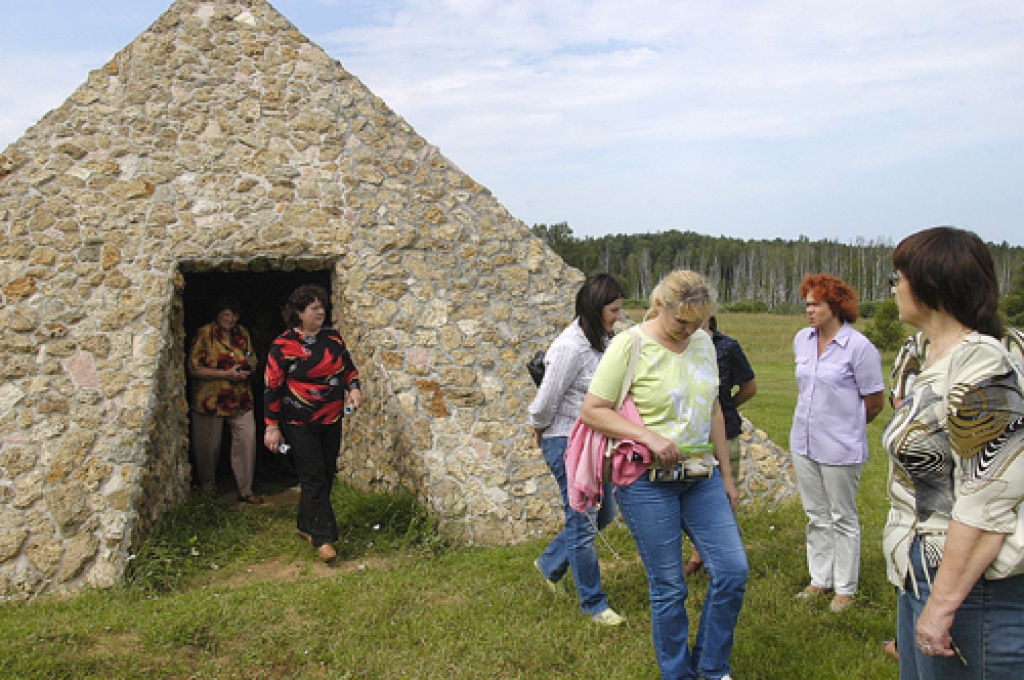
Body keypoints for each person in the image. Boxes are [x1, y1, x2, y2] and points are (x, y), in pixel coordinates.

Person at [581, 270, 748, 680]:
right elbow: (592, 410)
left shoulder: (703, 342)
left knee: (732, 571)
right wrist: (648, 437)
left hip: (701, 476)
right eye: (682, 321)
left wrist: (727, 476)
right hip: (646, 482)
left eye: (698, 322)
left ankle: (712, 667)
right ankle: (677, 673)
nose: (689, 330)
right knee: (670, 586)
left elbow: (713, 409)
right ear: (659, 305)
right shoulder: (630, 344)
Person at [882, 226, 1024, 679]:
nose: (893, 288)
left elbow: (990, 497)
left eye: (899, 277)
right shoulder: (933, 356)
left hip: (968, 585)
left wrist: (942, 605)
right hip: (922, 570)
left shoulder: (981, 362)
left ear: (931, 285)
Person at [528, 272, 627, 625]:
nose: (619, 316)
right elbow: (545, 401)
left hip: (593, 442)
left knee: (604, 514)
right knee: (583, 522)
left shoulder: (601, 340)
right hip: (565, 441)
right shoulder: (570, 348)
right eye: (614, 310)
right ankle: (594, 605)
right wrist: (539, 430)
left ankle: (549, 564)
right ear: (595, 308)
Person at [790, 273, 884, 613]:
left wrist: (848, 426)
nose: (809, 310)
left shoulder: (859, 348)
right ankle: (820, 579)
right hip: (803, 441)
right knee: (816, 515)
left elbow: (875, 402)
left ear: (836, 306)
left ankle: (845, 588)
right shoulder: (802, 340)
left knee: (842, 515)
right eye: (807, 304)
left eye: (816, 304)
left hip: (841, 447)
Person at [263, 284, 363, 563]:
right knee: (313, 476)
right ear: (299, 313)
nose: (321, 312)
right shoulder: (283, 345)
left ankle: (305, 525)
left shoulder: (333, 337)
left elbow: (347, 367)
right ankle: (323, 538)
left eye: (322, 307)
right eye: (314, 308)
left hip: (332, 418)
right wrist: (272, 426)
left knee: (326, 474)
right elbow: (272, 387)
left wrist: (354, 388)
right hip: (299, 421)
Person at [685, 315, 757, 577]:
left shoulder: (727, 347)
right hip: (695, 437)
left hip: (725, 432)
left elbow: (749, 386)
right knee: (696, 494)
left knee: (725, 498)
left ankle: (721, 558)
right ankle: (699, 553)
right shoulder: (681, 346)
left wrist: (728, 407)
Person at [187, 296, 261, 504]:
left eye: (234, 315)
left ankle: (245, 490)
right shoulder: (205, 333)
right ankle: (208, 491)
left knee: (247, 440)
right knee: (208, 449)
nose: (230, 319)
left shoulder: (242, 333)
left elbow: (251, 356)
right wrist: (225, 374)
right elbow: (194, 368)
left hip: (240, 398)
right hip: (211, 400)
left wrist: (249, 367)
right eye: (226, 314)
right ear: (218, 315)